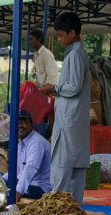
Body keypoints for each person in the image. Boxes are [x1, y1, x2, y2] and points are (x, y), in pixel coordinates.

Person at [41, 12, 90, 204]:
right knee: (73, 164)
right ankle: (73, 205)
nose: (59, 40)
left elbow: (75, 87)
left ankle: (58, 206)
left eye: (61, 35)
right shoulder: (75, 53)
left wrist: (54, 89)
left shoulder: (76, 54)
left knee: (62, 163)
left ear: (72, 33)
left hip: (70, 119)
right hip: (72, 118)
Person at [13, 110, 51, 202]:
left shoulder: (36, 142)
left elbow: (31, 167)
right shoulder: (20, 144)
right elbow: (17, 171)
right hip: (29, 184)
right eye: (17, 122)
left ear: (32, 124)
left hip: (41, 188)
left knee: (5, 190)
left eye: (23, 121)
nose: (19, 125)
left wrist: (18, 191)